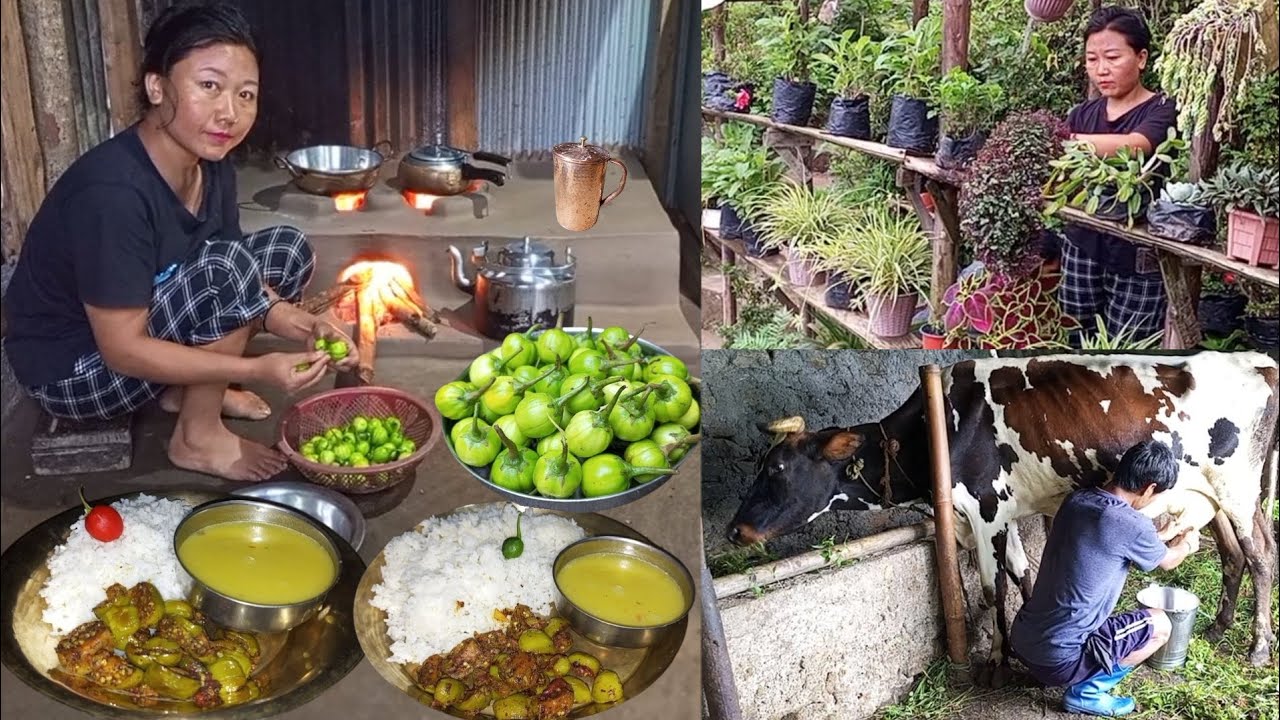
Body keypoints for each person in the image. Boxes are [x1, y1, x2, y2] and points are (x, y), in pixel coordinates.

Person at [4, 1, 357, 482]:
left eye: (246, 94)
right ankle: (197, 436)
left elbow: (238, 278)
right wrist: (254, 370)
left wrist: (293, 319)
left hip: (144, 326)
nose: (229, 113)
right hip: (76, 369)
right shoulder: (112, 193)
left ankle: (184, 392)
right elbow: (123, 350)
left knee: (285, 251)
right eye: (209, 86)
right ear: (157, 87)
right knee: (226, 269)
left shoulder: (210, 162)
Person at [1010, 440, 1196, 717]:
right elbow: (1168, 561)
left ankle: (1056, 671)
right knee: (1160, 624)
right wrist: (1188, 544)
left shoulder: (1076, 501)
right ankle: (1087, 693)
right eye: (1157, 495)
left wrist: (1163, 536)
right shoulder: (1133, 525)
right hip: (1057, 662)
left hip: (1022, 640)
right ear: (1149, 488)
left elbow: (1114, 542)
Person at [1059, 7, 1180, 345]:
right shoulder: (1083, 114)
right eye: (1092, 59)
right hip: (1082, 245)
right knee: (1076, 338)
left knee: (1126, 349)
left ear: (1141, 58)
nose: (1101, 69)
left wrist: (1062, 141)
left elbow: (1135, 145)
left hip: (1136, 256)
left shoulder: (1163, 109)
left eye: (1112, 57)